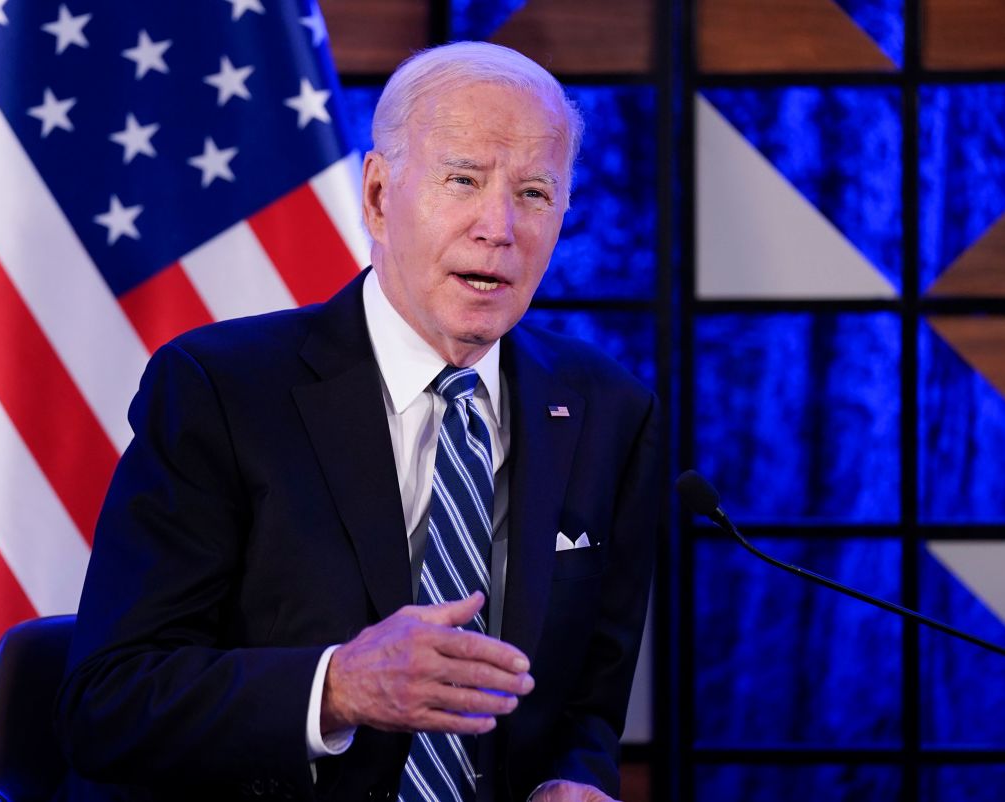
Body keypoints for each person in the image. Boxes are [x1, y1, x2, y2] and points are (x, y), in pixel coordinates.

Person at [55, 41, 659, 802]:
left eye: (536, 193)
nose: (499, 227)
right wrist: (336, 687)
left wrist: (574, 779)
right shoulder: (220, 390)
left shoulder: (609, 409)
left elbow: (585, 709)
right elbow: (106, 704)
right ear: (377, 195)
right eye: (462, 180)